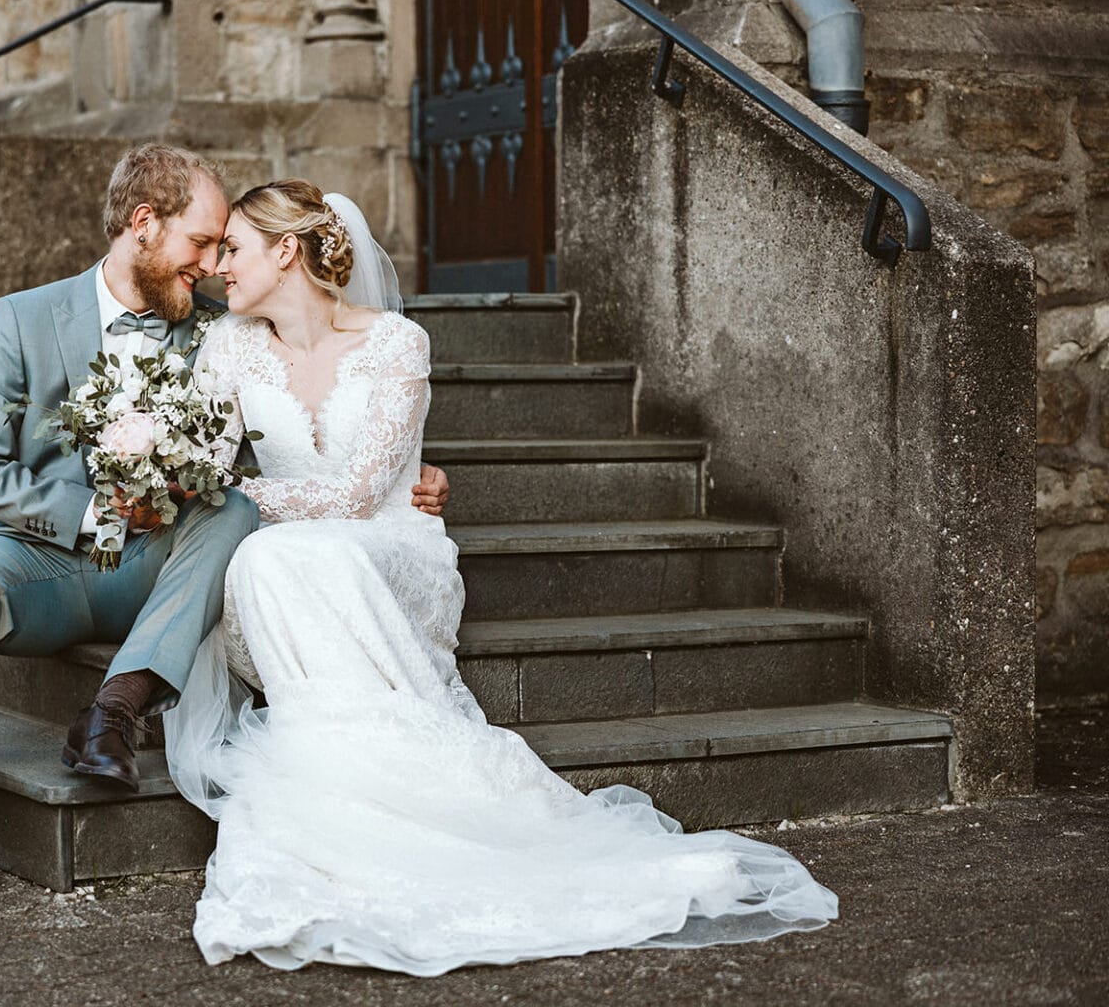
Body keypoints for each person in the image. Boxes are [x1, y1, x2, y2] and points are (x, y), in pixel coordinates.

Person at [164, 180, 840, 974]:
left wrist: (235, 492)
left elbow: (355, 495)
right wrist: (186, 477)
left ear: (287, 250)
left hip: (388, 548)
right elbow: (192, 468)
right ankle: (355, 785)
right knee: (278, 554)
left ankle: (373, 799)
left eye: (233, 249)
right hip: (292, 567)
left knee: (287, 550)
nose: (217, 269)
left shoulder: (394, 345)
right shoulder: (226, 346)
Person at [0, 146, 452, 919]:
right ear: (143, 224)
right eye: (201, 243)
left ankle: (115, 708)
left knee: (233, 510)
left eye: (222, 249)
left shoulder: (220, 329)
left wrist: (420, 471)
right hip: (40, 561)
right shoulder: (22, 320)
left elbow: (305, 423)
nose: (211, 266)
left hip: (161, 568)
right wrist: (89, 514)